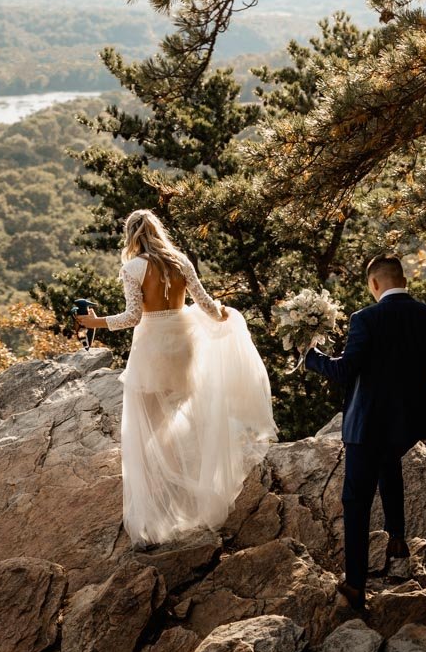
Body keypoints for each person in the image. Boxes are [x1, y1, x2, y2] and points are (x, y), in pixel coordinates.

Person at [76, 210, 276, 547]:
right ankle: (182, 498)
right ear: (158, 231)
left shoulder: (133, 268)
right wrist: (226, 314)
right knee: (171, 429)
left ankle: (159, 511)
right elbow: (209, 307)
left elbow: (133, 316)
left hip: (152, 350)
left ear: (131, 236)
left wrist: (92, 323)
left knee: (145, 434)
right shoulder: (180, 261)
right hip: (183, 350)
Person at [306, 255, 426, 611]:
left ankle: (356, 585)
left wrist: (311, 357)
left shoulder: (365, 319)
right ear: (402, 279)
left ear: (374, 284)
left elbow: (345, 371)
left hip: (369, 423)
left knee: (356, 501)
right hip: (412, 422)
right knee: (389, 465)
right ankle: (396, 537)